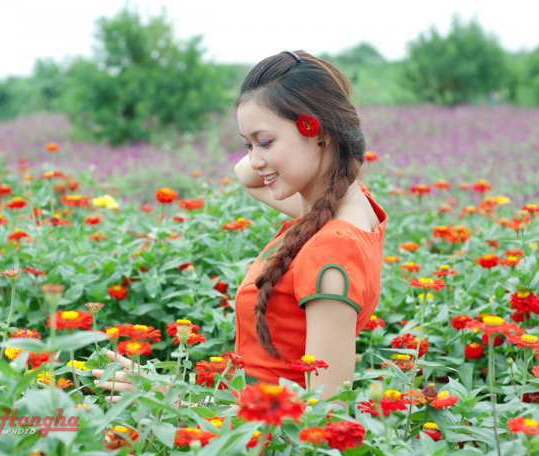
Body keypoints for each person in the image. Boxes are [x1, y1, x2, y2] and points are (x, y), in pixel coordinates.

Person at [93, 50, 387, 409]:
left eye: (265, 142)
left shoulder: (334, 244)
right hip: (250, 430)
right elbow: (246, 176)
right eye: (247, 145)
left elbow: (324, 413)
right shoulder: (342, 209)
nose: (254, 160)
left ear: (316, 130)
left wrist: (175, 404)